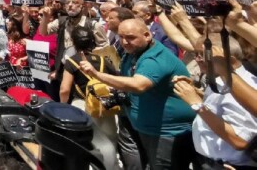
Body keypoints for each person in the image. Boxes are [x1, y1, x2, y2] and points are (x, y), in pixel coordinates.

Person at [78, 19, 198, 170]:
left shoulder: (155, 58)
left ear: (147, 35)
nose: (124, 42)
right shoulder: (134, 52)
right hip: (146, 128)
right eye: (120, 36)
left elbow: (139, 85)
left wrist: (97, 74)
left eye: (130, 37)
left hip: (167, 133)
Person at [172, 36, 257, 169]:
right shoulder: (219, 80)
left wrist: (196, 103)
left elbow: (240, 140)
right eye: (196, 54)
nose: (197, 59)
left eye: (203, 55)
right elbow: (217, 106)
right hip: (207, 161)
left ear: (229, 59)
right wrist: (195, 92)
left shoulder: (242, 88)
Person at [60, 27, 119, 144]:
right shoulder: (103, 59)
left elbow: (64, 89)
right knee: (109, 141)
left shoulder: (72, 61)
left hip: (82, 105)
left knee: (84, 141)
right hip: (104, 105)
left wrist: (63, 105)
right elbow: (116, 79)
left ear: (73, 41)